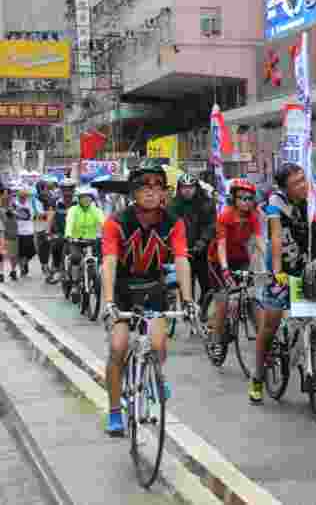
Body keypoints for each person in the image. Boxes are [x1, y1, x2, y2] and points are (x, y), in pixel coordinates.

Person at [100, 160, 197, 436]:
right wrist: (108, 302)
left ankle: (154, 374)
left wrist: (188, 300)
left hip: (153, 288)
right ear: (133, 192)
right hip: (121, 290)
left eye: (157, 185)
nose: (152, 191)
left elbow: (181, 260)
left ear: (164, 191)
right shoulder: (116, 223)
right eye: (144, 185)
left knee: (157, 345)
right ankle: (115, 411)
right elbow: (108, 262)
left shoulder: (174, 223)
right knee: (118, 347)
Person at [249, 163, 316, 405]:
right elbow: (274, 238)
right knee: (270, 326)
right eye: (296, 183)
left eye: (304, 179)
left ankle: (311, 360)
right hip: (281, 269)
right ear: (284, 188)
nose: (303, 185)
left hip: (308, 269)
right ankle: (258, 377)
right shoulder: (275, 202)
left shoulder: (315, 201)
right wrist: (278, 271)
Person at [203, 178, 265, 362]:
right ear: (234, 198)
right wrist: (224, 270)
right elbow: (221, 245)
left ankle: (264, 338)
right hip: (218, 261)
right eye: (242, 198)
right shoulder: (226, 216)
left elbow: (260, 242)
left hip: (240, 259)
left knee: (251, 297)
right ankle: (215, 340)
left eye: (249, 198)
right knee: (222, 301)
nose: (246, 202)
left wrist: (269, 264)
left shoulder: (254, 216)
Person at [169, 174, 216, 304]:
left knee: (207, 287)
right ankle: (188, 312)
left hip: (203, 251)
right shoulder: (173, 205)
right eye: (184, 187)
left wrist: (203, 241)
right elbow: (170, 227)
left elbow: (211, 225)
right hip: (182, 252)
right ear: (179, 189)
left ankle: (203, 310)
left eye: (190, 187)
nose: (187, 190)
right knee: (186, 287)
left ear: (196, 188)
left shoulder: (206, 203)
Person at [65, 186, 105, 294]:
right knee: (75, 258)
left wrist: (108, 233)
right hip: (75, 240)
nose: (86, 200)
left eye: (88, 197)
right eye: (83, 197)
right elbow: (70, 222)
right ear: (79, 199)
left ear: (92, 198)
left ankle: (93, 276)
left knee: (96, 259)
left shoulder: (96, 210)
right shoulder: (73, 210)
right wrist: (69, 235)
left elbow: (103, 222)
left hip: (91, 240)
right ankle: (74, 284)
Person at [45, 180, 77, 284]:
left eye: (70, 189)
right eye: (65, 190)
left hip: (77, 233)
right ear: (61, 190)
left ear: (73, 190)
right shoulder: (55, 201)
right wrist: (48, 231)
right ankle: (57, 269)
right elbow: (50, 216)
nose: (67, 192)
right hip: (60, 232)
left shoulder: (80, 202)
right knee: (57, 244)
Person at [13, 185, 40, 279]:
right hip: (18, 232)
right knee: (21, 253)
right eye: (22, 196)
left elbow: (37, 215)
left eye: (25, 196)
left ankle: (23, 265)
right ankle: (22, 269)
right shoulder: (14, 204)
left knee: (32, 252)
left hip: (29, 231)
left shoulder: (31, 204)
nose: (23, 198)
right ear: (18, 196)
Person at [34, 181, 54, 279]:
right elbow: (49, 210)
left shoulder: (37, 197)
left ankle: (45, 265)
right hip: (46, 223)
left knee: (43, 246)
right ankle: (46, 267)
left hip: (40, 224)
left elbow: (37, 213)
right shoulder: (47, 195)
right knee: (47, 246)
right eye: (46, 186)